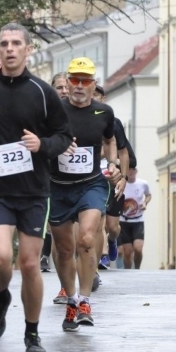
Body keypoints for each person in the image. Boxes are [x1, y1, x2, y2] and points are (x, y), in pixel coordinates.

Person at [0, 23, 73, 352]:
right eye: (4, 44)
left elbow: (63, 137)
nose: (9, 49)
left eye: (16, 44)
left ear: (28, 50)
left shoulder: (43, 92)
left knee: (28, 264)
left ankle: (32, 334)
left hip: (35, 193)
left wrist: (42, 144)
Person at [48, 57, 121, 331]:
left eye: (86, 81)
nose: (79, 86)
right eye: (75, 80)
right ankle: (70, 299)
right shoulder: (54, 111)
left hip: (91, 183)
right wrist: (56, 146)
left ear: (94, 85)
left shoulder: (105, 112)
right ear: (67, 83)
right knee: (65, 249)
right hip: (57, 186)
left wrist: (112, 164)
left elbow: (110, 139)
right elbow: (39, 139)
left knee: (87, 238)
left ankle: (86, 301)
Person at [93, 84, 131, 274]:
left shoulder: (113, 123)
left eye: (97, 95)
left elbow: (125, 154)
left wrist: (123, 177)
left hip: (113, 179)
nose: (94, 97)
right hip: (93, 179)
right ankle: (103, 256)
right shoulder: (81, 119)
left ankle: (112, 239)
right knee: (98, 219)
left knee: (112, 226)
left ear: (103, 99)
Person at [40, 72, 68, 275]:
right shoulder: (44, 113)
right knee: (53, 223)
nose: (65, 91)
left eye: (67, 86)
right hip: (48, 174)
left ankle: (90, 267)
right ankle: (45, 254)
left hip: (78, 179)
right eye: (60, 87)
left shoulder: (82, 112)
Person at [118, 166, 151, 269]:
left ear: (136, 171)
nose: (131, 172)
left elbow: (148, 195)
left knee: (138, 248)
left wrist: (145, 203)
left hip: (138, 220)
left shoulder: (143, 184)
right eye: (129, 169)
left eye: (133, 169)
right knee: (127, 252)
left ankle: (137, 268)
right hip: (124, 220)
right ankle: (128, 271)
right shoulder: (121, 184)